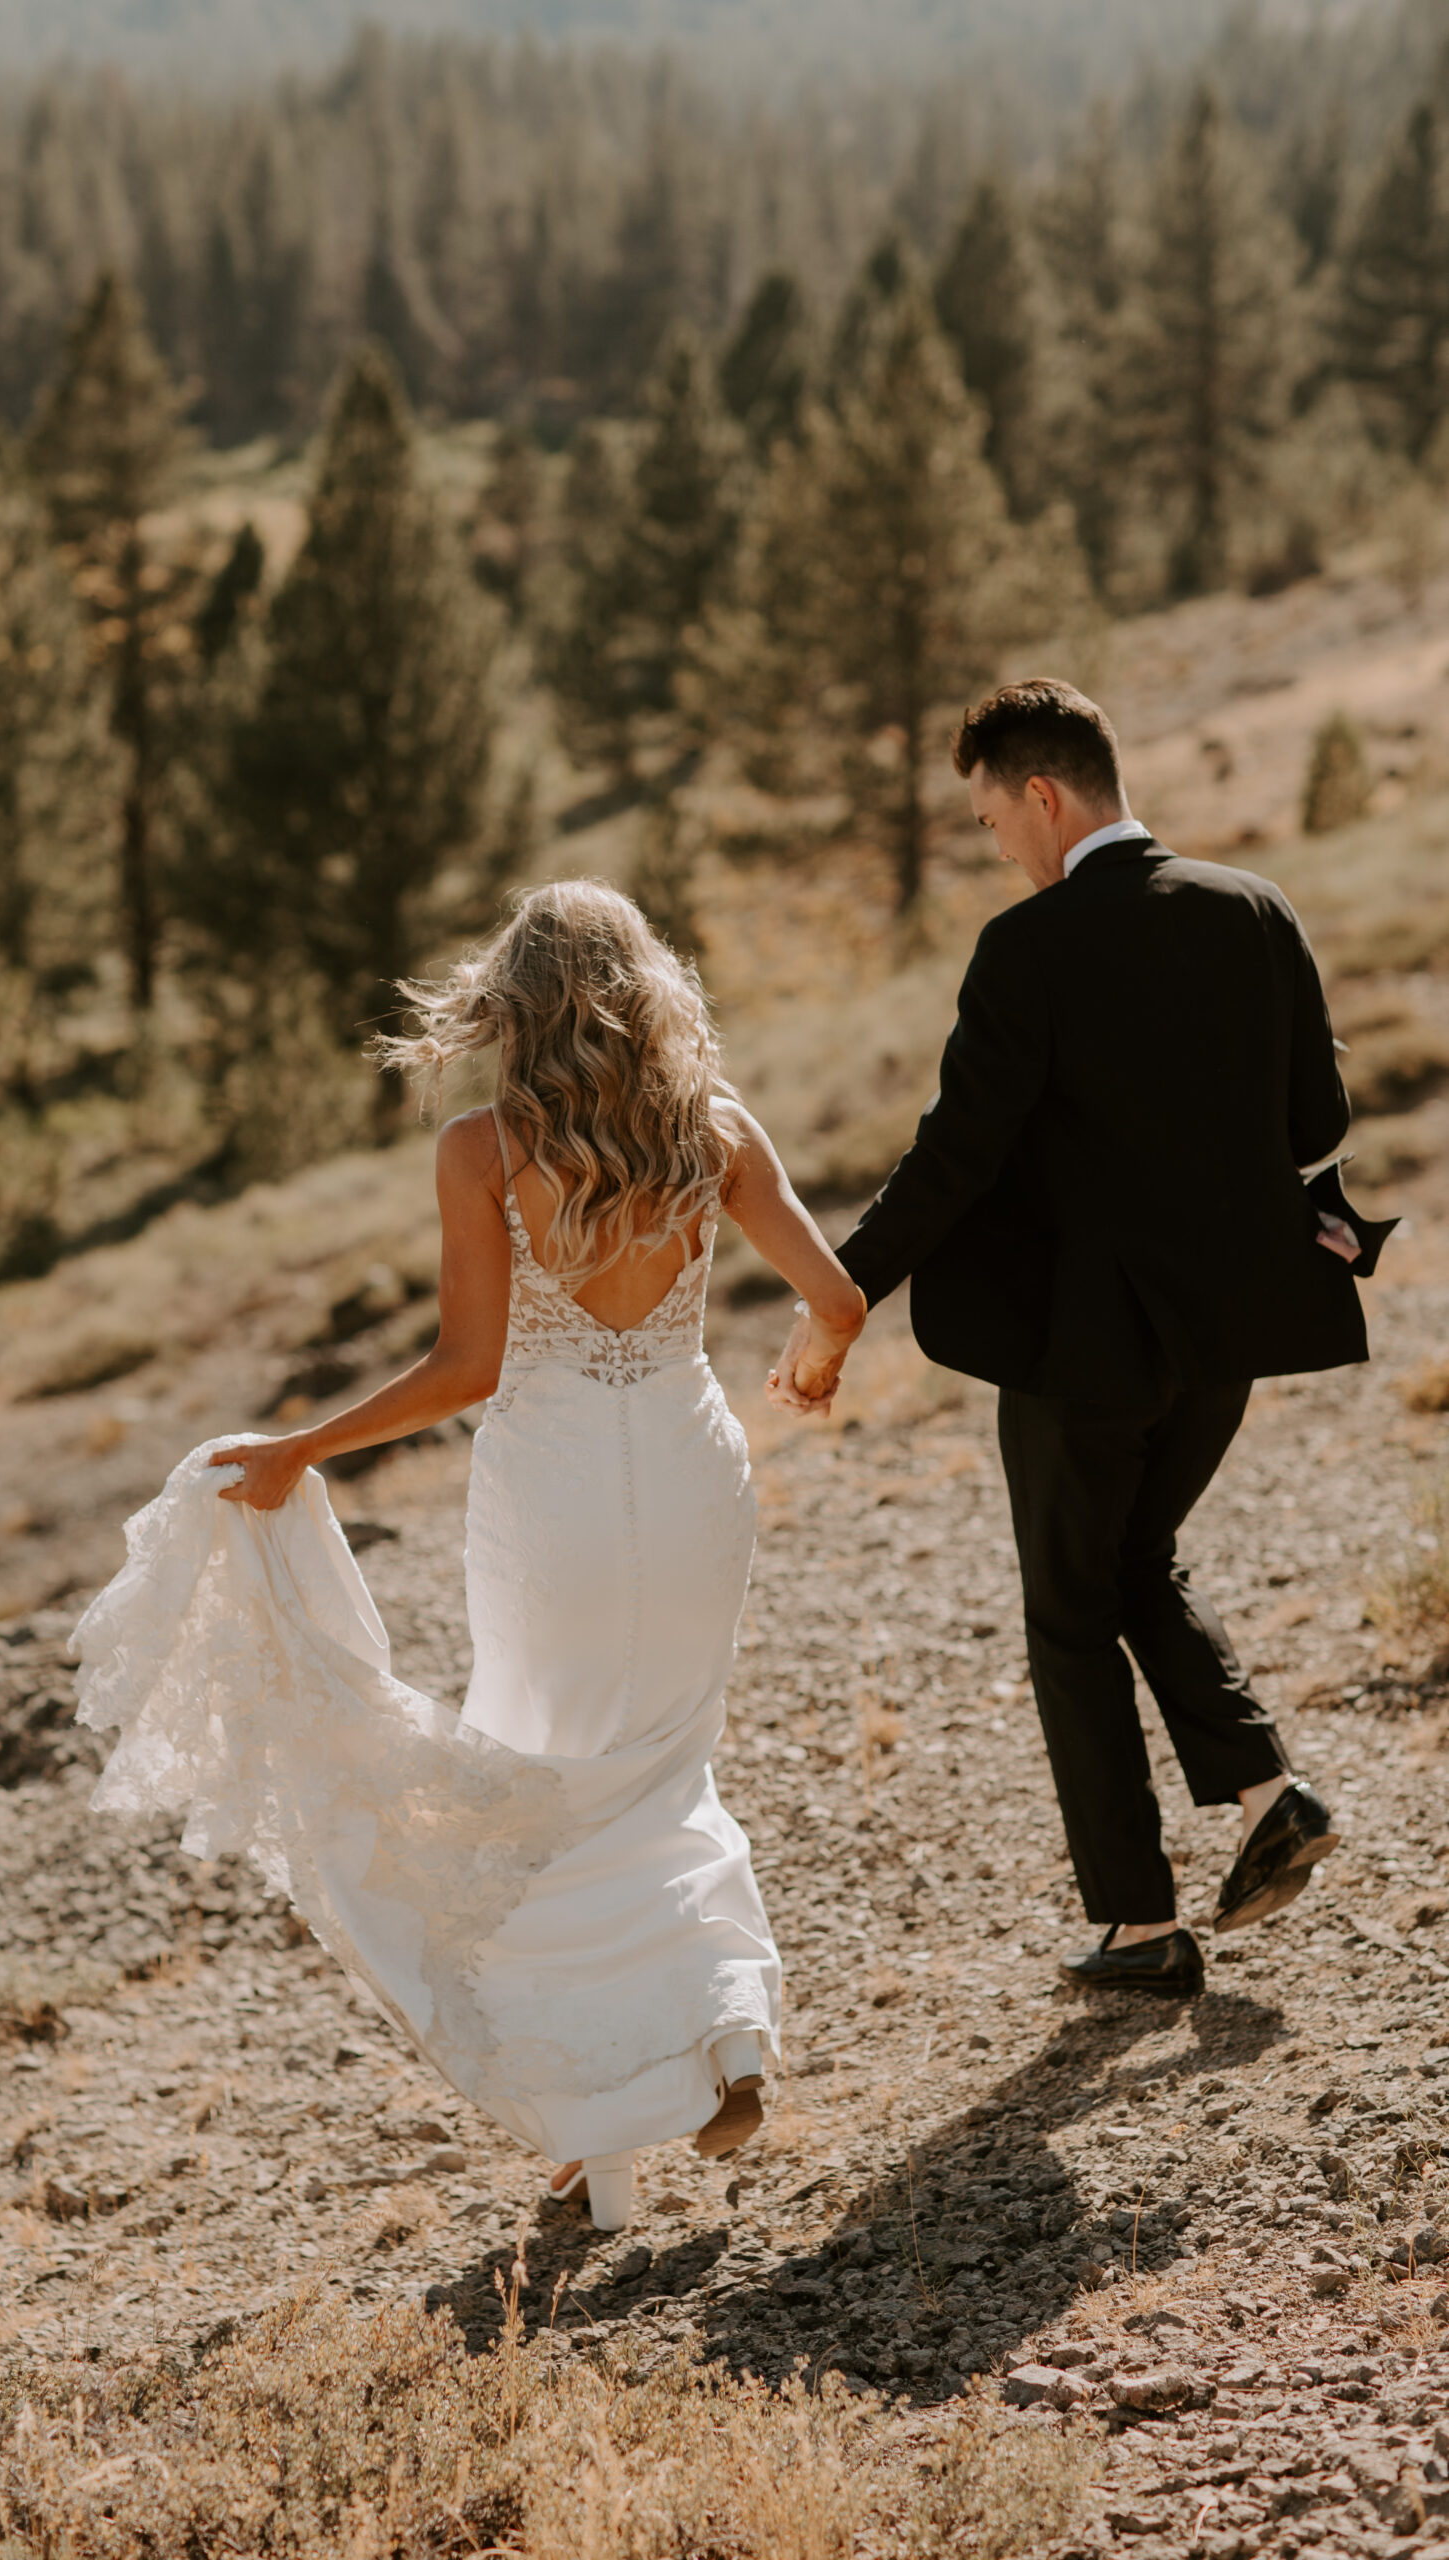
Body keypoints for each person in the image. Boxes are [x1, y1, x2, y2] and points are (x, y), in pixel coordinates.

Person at [73, 881, 865, 2228]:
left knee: (538, 1783)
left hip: (550, 1490)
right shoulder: (715, 1133)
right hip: (687, 1471)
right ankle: (729, 2030)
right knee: (664, 1762)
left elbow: (468, 1366)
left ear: (514, 1007)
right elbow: (838, 1297)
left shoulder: (485, 1151)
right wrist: (812, 1363)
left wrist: (301, 1448)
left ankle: (599, 2155)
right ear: (649, 990)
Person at [769, 680, 1395, 1997]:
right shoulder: (1252, 908)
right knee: (1135, 1564)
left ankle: (1139, 1927)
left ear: (1043, 795)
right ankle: (1270, 1792)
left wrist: (841, 1298)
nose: (996, 840)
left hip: (1084, 1351)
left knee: (1069, 1613)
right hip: (1225, 1343)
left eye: (993, 813)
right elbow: (1315, 1114)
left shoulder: (1030, 950)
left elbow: (952, 1162)